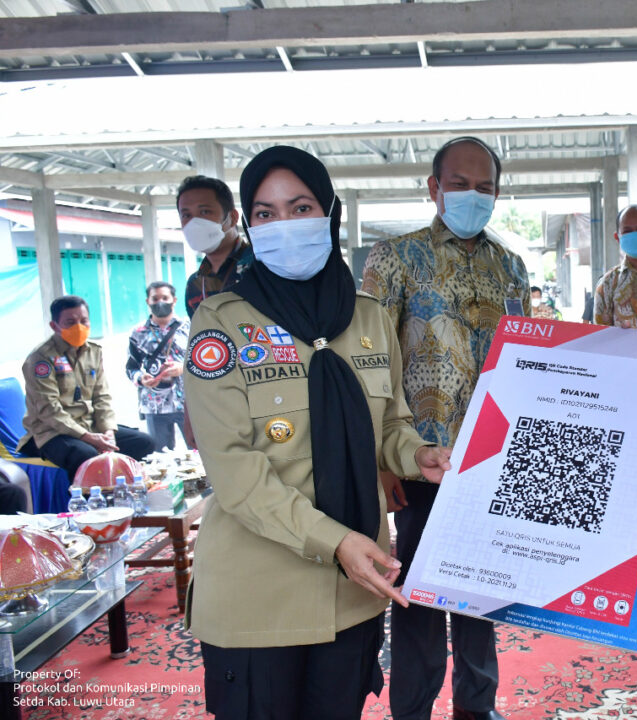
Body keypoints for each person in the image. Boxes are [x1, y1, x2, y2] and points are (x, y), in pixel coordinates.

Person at [184, 145, 452, 720]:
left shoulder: (368, 315)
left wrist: (418, 455)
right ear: (249, 225)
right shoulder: (220, 323)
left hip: (353, 591)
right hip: (258, 594)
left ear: (329, 213)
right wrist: (335, 542)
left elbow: (391, 424)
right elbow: (235, 471)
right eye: (266, 213)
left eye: (301, 207)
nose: (284, 224)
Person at [362, 136, 526, 720]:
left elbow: (527, 360)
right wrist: (383, 462)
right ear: (434, 188)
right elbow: (370, 364)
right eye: (459, 184)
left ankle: (477, 707)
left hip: (491, 462)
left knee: (481, 594)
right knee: (420, 600)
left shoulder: (511, 266)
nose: (472, 196)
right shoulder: (393, 259)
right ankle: (413, 710)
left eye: (485, 187)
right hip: (419, 460)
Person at [16, 296, 155, 480]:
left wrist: (108, 431)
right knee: (87, 455)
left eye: (84, 321)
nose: (79, 327)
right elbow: (49, 410)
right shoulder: (41, 359)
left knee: (144, 442)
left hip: (90, 425)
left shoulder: (93, 351)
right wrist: (87, 437)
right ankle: (85, 498)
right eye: (70, 322)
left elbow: (101, 397)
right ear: (54, 326)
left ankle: (127, 490)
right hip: (52, 432)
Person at [178, 174, 254, 318]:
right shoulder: (195, 284)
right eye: (186, 215)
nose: (194, 223)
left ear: (233, 217)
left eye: (205, 212)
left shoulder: (260, 264)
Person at [126, 281, 189, 451]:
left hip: (188, 403)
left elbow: (204, 362)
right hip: (154, 405)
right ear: (148, 301)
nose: (160, 302)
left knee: (199, 452)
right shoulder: (137, 333)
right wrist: (141, 378)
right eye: (155, 299)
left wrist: (183, 368)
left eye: (165, 298)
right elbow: (131, 368)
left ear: (174, 300)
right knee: (160, 457)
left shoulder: (189, 327)